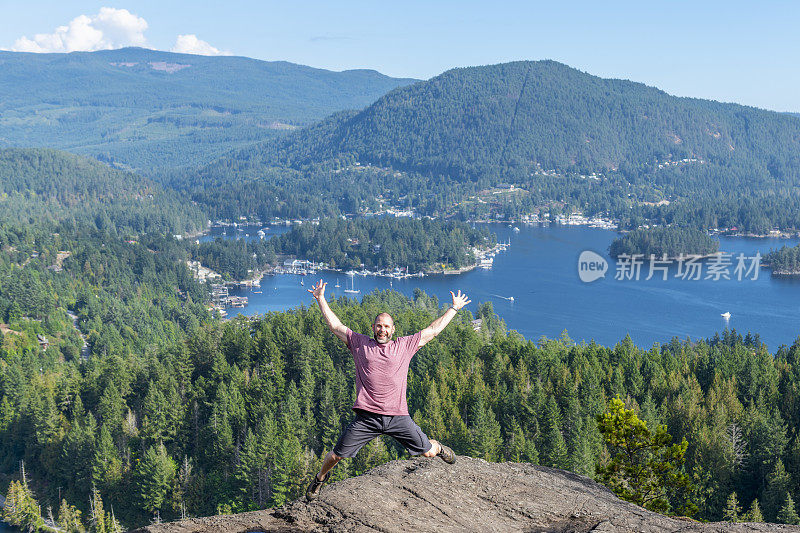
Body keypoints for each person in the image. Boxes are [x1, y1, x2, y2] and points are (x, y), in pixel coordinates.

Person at [305, 280, 471, 501]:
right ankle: (319, 479)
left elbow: (433, 330)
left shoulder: (404, 346)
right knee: (336, 455)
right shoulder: (359, 343)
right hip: (367, 418)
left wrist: (454, 308)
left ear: (393, 329)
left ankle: (439, 447)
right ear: (373, 327)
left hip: (397, 417)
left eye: (386, 326)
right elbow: (335, 326)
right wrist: (321, 299)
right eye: (378, 325)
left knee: (429, 452)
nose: (382, 329)